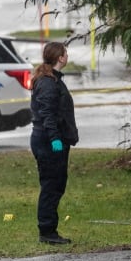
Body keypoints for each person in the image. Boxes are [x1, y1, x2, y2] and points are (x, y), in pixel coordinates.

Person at [30, 42, 79, 244]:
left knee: (57, 184)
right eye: (65, 53)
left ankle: (49, 229)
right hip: (49, 141)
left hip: (52, 140)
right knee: (51, 185)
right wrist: (56, 140)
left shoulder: (54, 80)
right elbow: (47, 114)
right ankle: (47, 231)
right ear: (60, 57)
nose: (67, 56)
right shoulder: (48, 83)